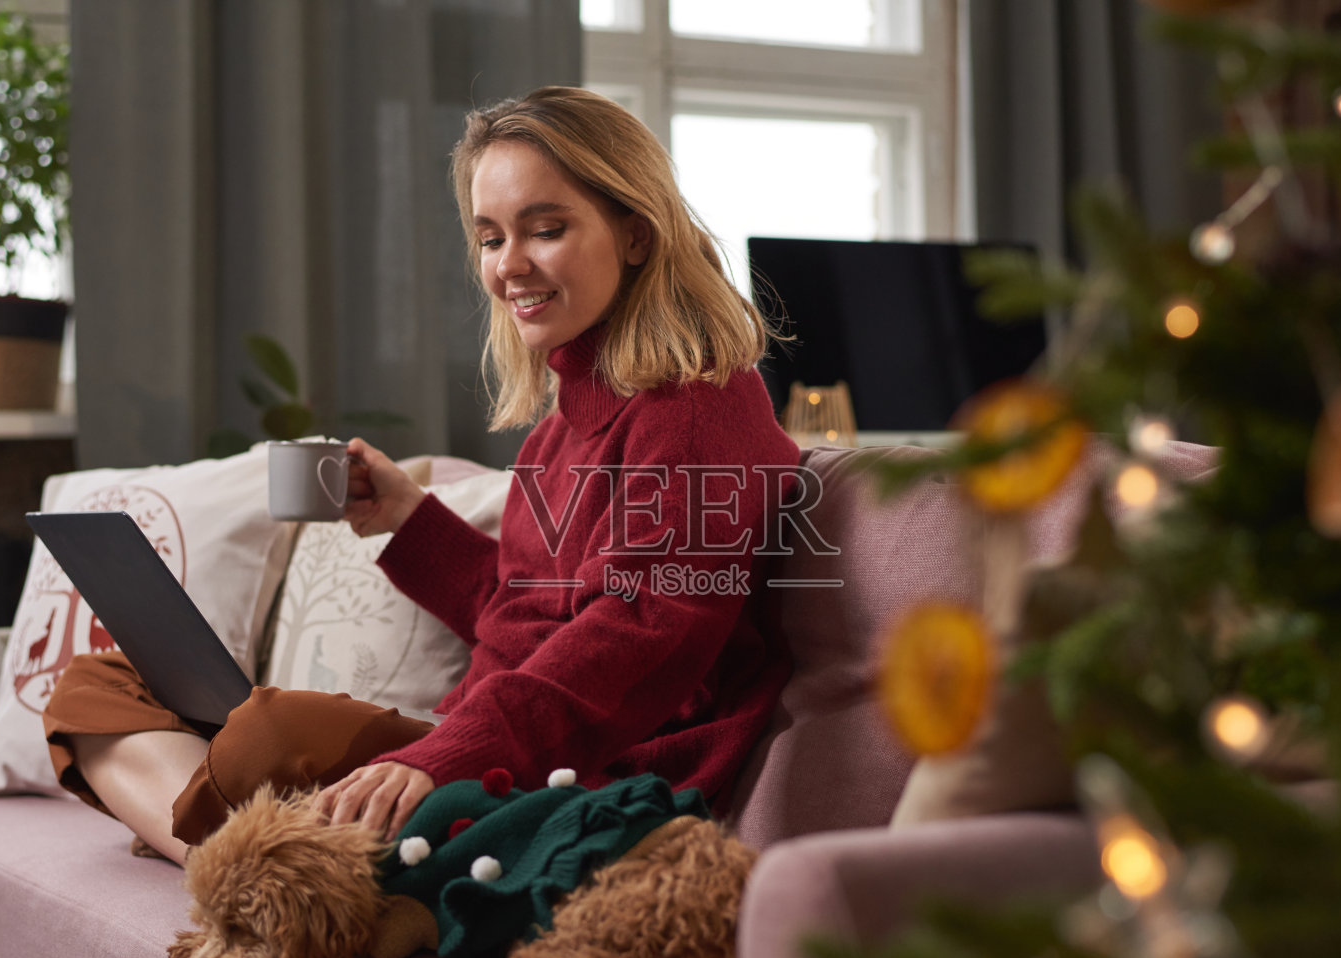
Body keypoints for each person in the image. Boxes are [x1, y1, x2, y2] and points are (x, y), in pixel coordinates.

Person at [42, 86, 802, 866]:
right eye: (490, 238)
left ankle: (248, 858)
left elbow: (641, 631)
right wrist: (408, 520)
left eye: (545, 229)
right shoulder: (557, 432)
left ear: (636, 234)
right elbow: (522, 613)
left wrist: (442, 755)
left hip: (576, 771)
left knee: (264, 735)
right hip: (476, 743)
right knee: (96, 683)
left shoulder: (699, 406)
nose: (509, 266)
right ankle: (247, 862)